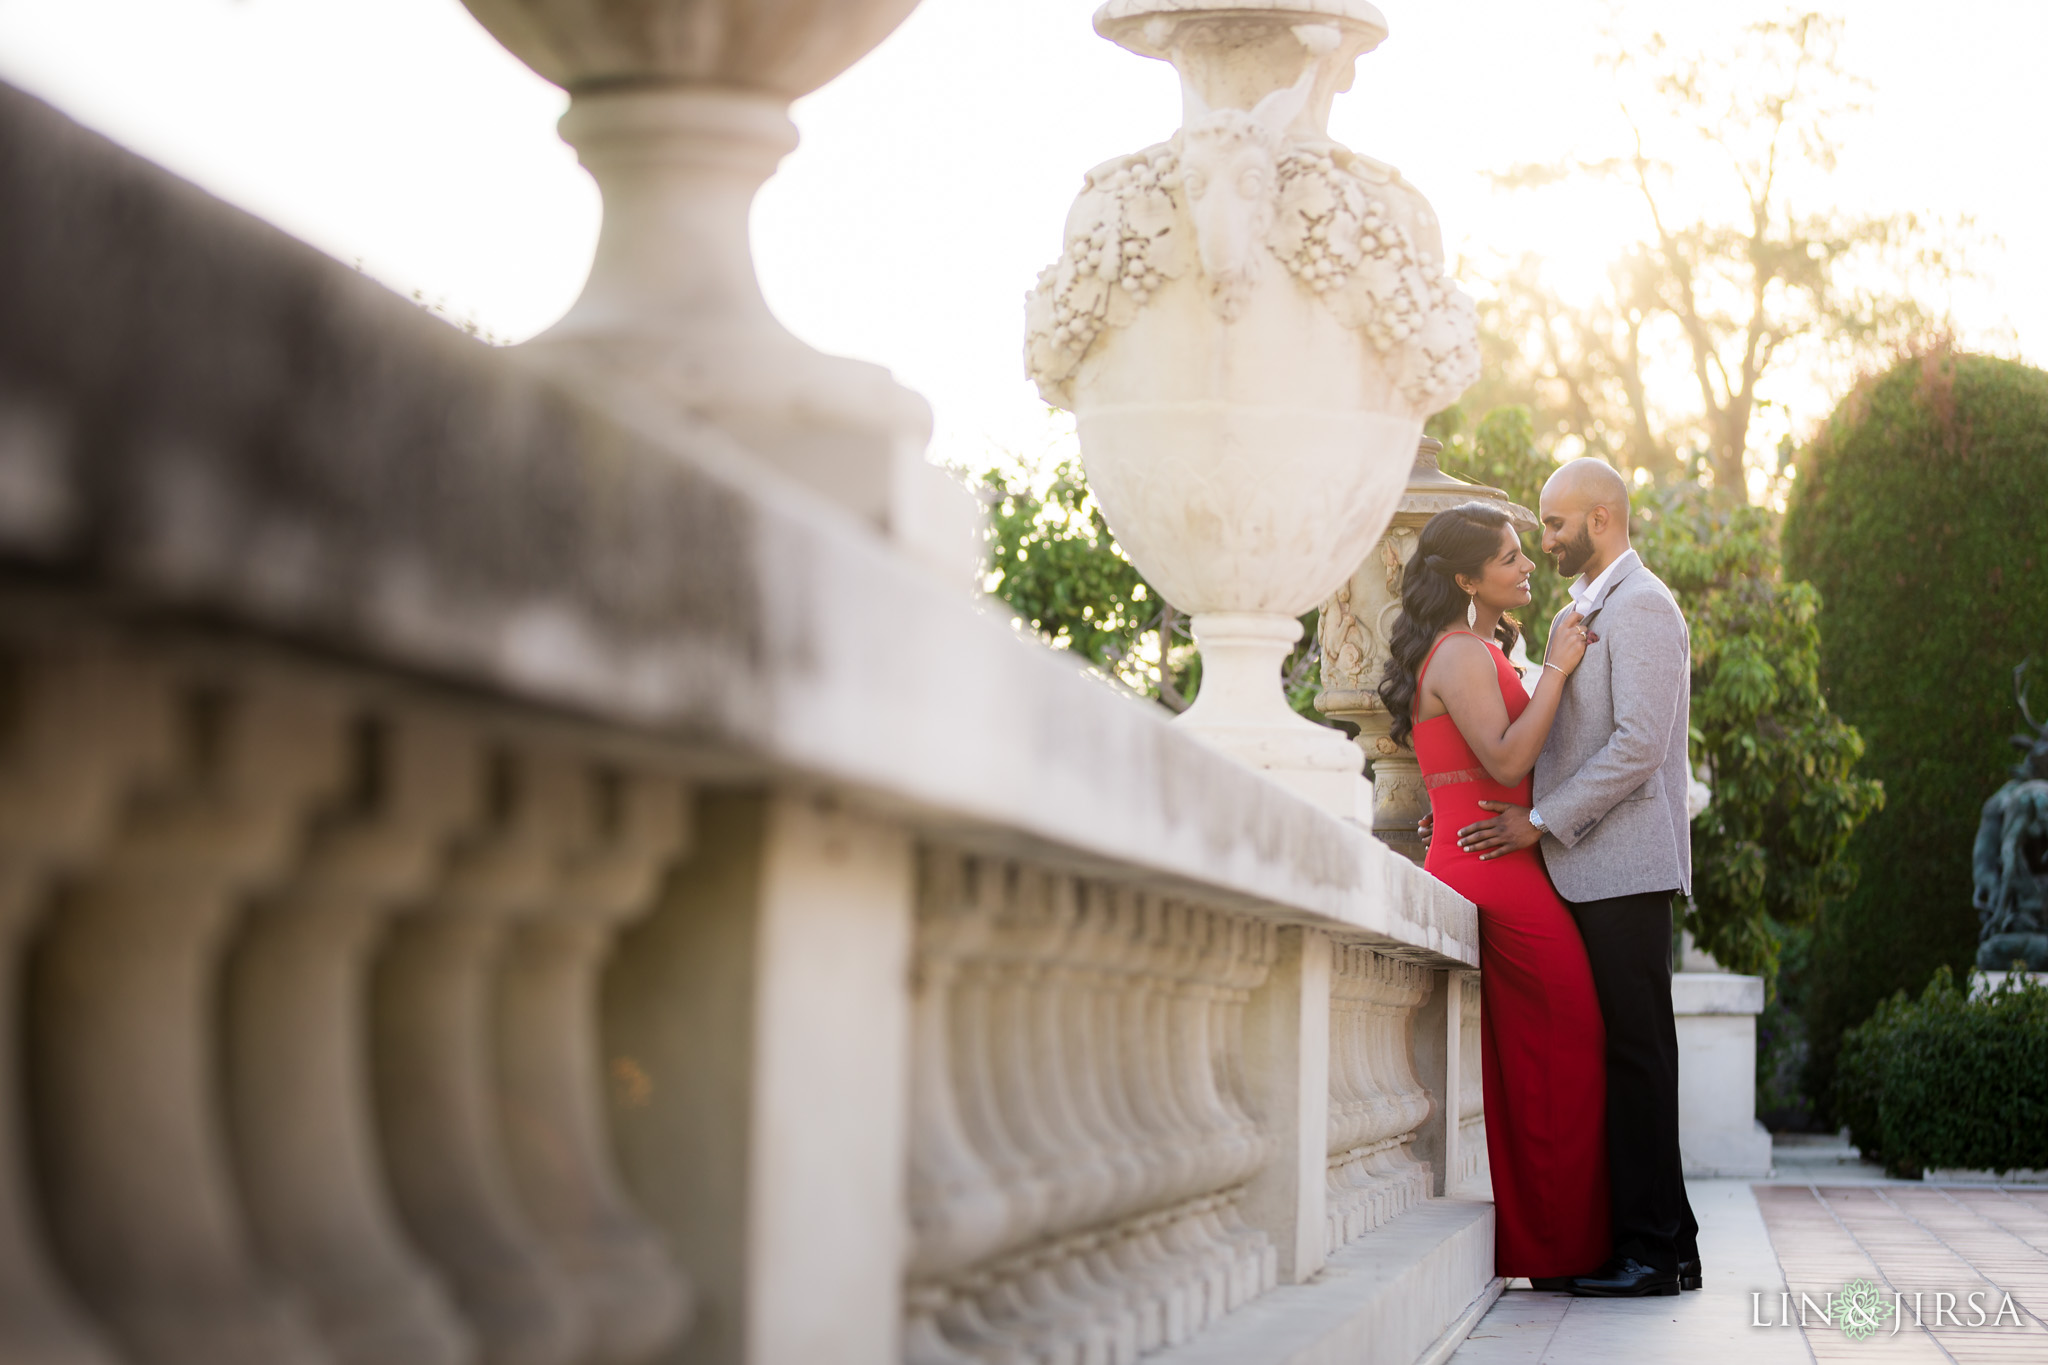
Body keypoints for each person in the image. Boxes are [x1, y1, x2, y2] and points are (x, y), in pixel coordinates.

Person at [1454, 457, 1702, 1298]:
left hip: (1625, 867)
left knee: (1638, 1055)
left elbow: (1638, 745)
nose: (1543, 538)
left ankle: (1650, 1252)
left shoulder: (1644, 607)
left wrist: (1542, 821)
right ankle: (1676, 1242)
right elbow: (1556, 738)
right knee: (1627, 1054)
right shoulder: (1578, 611)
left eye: (1554, 524)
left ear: (1601, 519)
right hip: (1585, 868)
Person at [1377, 500, 1610, 1286]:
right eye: (1509, 556)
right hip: (1493, 870)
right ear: (1466, 577)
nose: (1526, 565)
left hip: (1493, 858)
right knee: (1569, 1040)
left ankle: (1554, 1243)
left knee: (1541, 1053)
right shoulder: (1461, 654)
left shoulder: (1475, 647)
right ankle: (1560, 1248)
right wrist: (1560, 668)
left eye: (1521, 551)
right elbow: (1508, 762)